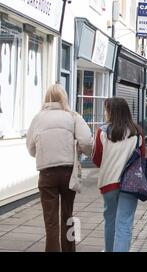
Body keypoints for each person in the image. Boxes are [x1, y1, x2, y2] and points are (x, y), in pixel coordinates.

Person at [26, 84, 93, 252]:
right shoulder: (73, 116)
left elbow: (31, 148)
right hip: (68, 173)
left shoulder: (38, 118)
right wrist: (82, 152)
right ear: (64, 98)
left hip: (47, 173)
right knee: (69, 216)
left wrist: (43, 153)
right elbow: (86, 141)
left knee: (50, 220)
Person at [92, 97, 146, 252]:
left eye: (106, 109)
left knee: (110, 221)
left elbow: (96, 159)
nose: (104, 113)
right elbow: (142, 158)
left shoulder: (102, 132)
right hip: (130, 184)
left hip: (109, 184)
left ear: (111, 112)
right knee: (124, 224)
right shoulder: (137, 133)